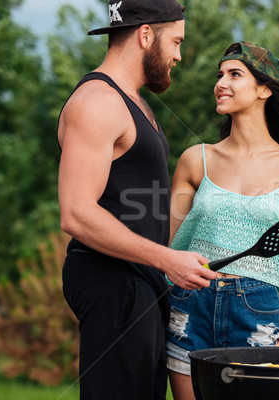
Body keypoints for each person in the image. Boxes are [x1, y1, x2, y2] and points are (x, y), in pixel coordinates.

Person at [57, 1, 217, 399]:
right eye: (176, 41)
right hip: (115, 286)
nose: (179, 54)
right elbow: (76, 213)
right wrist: (167, 260)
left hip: (139, 284)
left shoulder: (133, 101)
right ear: (146, 35)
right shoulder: (97, 102)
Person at [165, 41, 279, 400]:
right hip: (191, 304)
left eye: (234, 74)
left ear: (264, 89)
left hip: (258, 311)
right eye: (219, 75)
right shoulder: (195, 160)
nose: (221, 83)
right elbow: (168, 249)